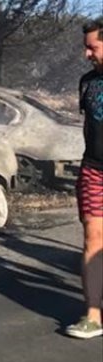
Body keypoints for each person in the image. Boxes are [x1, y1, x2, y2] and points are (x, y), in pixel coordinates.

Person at [68, 17, 103, 339]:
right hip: (94, 170)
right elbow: (89, 128)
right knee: (93, 238)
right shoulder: (87, 83)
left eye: (92, 47)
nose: (87, 54)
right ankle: (93, 315)